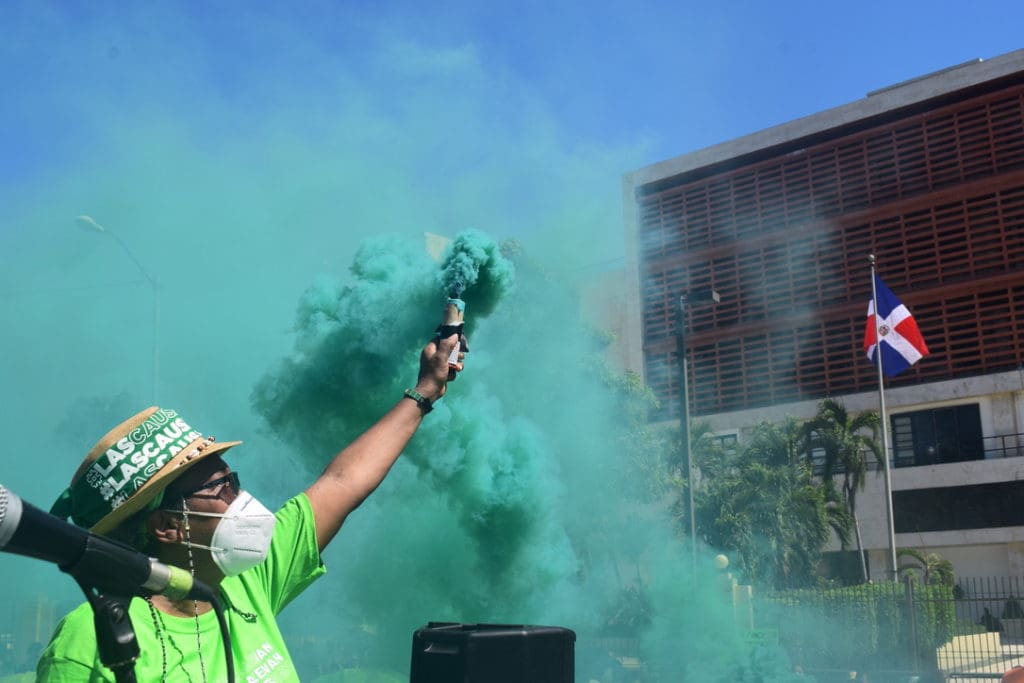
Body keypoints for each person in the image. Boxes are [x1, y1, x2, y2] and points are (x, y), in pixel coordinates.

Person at [37, 333, 464, 681]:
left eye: (235, 480)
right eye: (223, 488)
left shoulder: (243, 582)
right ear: (167, 525)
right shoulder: (87, 642)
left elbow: (342, 481)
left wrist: (426, 390)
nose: (242, 500)